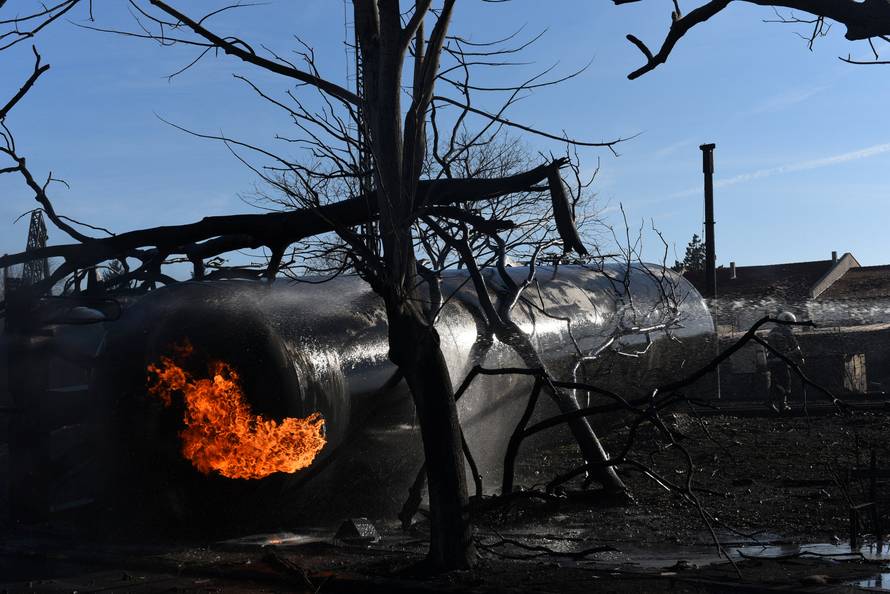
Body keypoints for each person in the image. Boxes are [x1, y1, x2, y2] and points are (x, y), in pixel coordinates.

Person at [765, 311, 804, 412]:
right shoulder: (786, 331)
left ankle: (771, 401)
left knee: (775, 382)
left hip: (771, 361)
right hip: (781, 361)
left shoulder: (772, 331)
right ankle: (782, 404)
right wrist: (800, 358)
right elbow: (795, 347)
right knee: (785, 382)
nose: (792, 326)